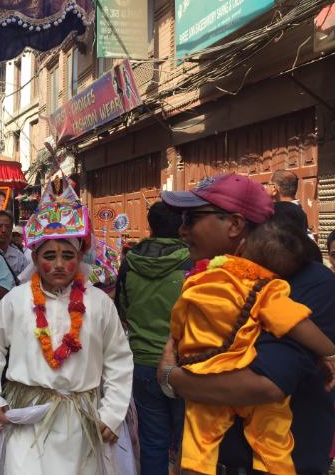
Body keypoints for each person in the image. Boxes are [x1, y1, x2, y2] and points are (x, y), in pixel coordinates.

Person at [158, 174, 335, 474]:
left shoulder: (308, 282)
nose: (182, 230)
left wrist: (169, 377)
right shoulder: (212, 277)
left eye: (192, 218)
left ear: (235, 224)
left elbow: (265, 385)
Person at [0, 173, 133, 475]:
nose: (60, 264)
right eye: (50, 255)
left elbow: (118, 358)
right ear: (35, 258)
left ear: (80, 257)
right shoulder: (15, 300)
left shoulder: (99, 303)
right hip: (25, 419)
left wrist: (112, 413)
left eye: (68, 255)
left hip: (84, 424)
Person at [116, 201, 192, 475]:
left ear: (150, 227)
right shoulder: (195, 263)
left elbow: (122, 311)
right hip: (188, 368)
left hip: (145, 366)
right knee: (192, 446)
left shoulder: (129, 264)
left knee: (152, 443)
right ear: (183, 226)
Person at [268, 170, 314, 239]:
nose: (267, 188)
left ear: (274, 189)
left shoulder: (275, 211)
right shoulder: (300, 210)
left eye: (269, 185)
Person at [0, 210, 27, 280]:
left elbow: (25, 281)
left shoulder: (19, 256)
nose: (3, 230)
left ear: (11, 228)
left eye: (7, 226)